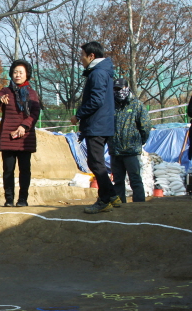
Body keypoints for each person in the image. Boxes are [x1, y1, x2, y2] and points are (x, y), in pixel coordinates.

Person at [70, 42, 121, 214]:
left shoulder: (97, 74)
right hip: (102, 124)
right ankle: (113, 195)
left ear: (91, 56)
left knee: (96, 163)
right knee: (96, 162)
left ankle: (104, 200)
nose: (81, 59)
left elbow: (96, 100)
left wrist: (78, 115)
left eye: (82, 55)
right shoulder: (104, 72)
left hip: (97, 125)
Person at [0, 59, 41, 207]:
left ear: (27, 74)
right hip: (8, 137)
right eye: (15, 72)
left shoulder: (32, 94)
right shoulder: (5, 91)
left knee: (24, 170)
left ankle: (22, 199)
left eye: (21, 72)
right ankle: (8, 199)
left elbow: (35, 112)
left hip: (25, 137)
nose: (18, 75)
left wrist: (24, 127)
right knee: (8, 170)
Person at [110, 78, 151, 203]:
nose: (118, 92)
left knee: (135, 180)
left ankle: (139, 206)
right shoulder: (111, 106)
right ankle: (120, 207)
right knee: (118, 181)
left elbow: (145, 126)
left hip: (131, 151)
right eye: (115, 89)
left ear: (127, 88)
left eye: (120, 89)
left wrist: (139, 142)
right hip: (115, 151)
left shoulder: (137, 105)